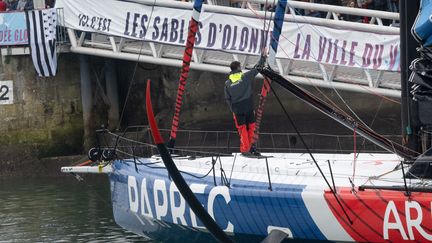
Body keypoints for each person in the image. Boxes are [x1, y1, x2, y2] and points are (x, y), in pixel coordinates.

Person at [224, 58, 264, 156]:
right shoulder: (245, 77)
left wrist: (233, 109)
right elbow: (257, 69)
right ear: (238, 68)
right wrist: (263, 57)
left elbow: (227, 99)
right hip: (248, 107)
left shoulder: (227, 83)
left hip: (237, 110)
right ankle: (252, 149)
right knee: (251, 127)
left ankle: (245, 149)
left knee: (242, 130)